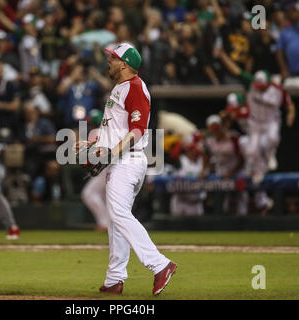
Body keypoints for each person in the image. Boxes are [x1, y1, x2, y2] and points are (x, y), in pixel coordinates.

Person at [78, 43, 177, 295]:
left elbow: (137, 130)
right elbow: (117, 131)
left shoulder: (134, 87)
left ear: (124, 63)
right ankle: (114, 278)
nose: (108, 61)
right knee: (116, 219)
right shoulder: (121, 88)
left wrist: (111, 152)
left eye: (112, 58)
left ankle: (160, 264)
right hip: (122, 159)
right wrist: (93, 142)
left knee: (119, 214)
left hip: (127, 160)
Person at [216, 49, 296, 185]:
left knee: (272, 138)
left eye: (262, 86)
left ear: (269, 83)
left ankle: (270, 156)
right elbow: (236, 71)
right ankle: (258, 171)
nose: (259, 88)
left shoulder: (278, 89)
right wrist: (223, 56)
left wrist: (290, 115)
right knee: (252, 150)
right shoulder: (251, 83)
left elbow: (290, 105)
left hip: (271, 120)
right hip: (256, 123)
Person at [201, 115, 247, 215]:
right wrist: (204, 170)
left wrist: (232, 172)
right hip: (221, 171)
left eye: (217, 128)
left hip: (238, 171)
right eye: (212, 129)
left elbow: (242, 159)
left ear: (221, 126)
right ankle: (224, 225)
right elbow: (206, 155)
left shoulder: (233, 137)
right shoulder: (209, 140)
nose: (215, 131)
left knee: (241, 197)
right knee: (223, 201)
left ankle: (243, 224)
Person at [80, 109, 110, 231]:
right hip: (110, 167)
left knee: (88, 194)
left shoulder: (95, 132)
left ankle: (104, 223)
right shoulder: (108, 131)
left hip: (103, 169)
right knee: (105, 197)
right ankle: (109, 224)